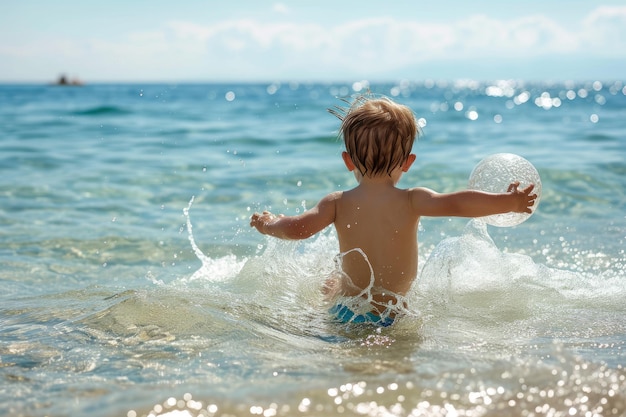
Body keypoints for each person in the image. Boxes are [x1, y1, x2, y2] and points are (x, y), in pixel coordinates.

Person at [250, 96, 536, 326]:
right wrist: (506, 202)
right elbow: (458, 203)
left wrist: (269, 223)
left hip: (347, 314)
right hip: (394, 316)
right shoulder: (412, 200)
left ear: (348, 161)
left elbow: (296, 229)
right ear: (408, 162)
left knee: (335, 286)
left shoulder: (336, 203)